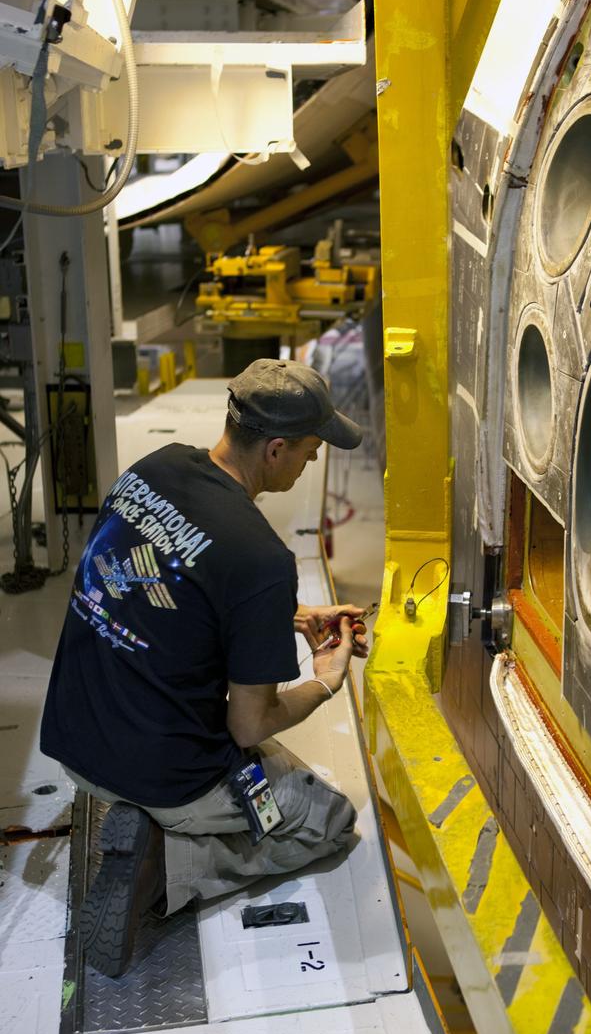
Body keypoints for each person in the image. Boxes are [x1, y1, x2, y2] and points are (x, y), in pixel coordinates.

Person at [40, 359, 370, 978]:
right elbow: (249, 726)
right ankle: (162, 866)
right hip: (163, 771)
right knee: (327, 822)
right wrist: (326, 680)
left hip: (71, 738)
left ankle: (144, 828)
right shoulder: (261, 558)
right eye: (309, 449)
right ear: (275, 450)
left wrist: (290, 615)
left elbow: (169, 582)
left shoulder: (152, 470)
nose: (312, 462)